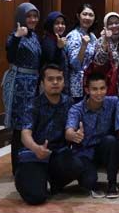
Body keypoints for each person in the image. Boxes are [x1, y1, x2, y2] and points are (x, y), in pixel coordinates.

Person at [14, 64, 75, 205]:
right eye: (50, 79)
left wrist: (75, 134)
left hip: (58, 153)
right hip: (35, 154)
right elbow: (25, 134)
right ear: (42, 83)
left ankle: (53, 181)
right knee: (36, 197)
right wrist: (36, 148)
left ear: (64, 81)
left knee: (77, 165)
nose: (55, 82)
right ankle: (24, 177)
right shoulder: (33, 104)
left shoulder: (69, 102)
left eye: (59, 78)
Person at [65, 72, 119, 198]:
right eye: (94, 89)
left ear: (106, 88)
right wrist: (74, 135)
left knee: (111, 140)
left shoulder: (113, 102)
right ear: (87, 90)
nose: (99, 93)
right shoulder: (77, 109)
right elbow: (68, 131)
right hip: (84, 152)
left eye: (102, 88)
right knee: (88, 182)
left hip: (103, 149)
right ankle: (90, 178)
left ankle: (112, 184)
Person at [3, 2, 42, 174]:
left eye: (35, 16)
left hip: (33, 84)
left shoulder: (35, 36)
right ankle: (17, 168)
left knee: (29, 124)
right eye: (29, 16)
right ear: (21, 17)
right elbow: (10, 57)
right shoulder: (14, 35)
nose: (33, 20)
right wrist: (17, 37)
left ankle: (27, 163)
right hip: (19, 85)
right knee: (19, 126)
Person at [66, 3, 97, 103]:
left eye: (91, 15)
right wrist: (83, 46)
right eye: (85, 14)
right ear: (78, 16)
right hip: (77, 86)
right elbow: (74, 65)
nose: (87, 18)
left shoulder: (93, 36)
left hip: (90, 83)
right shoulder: (73, 35)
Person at [92, 12, 119, 96]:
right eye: (110, 24)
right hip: (105, 86)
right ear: (106, 26)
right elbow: (99, 61)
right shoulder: (101, 40)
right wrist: (106, 40)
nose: (114, 26)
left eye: (117, 23)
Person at [40, 12, 69, 85]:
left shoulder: (59, 40)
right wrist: (58, 48)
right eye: (57, 23)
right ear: (50, 25)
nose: (60, 26)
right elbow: (52, 64)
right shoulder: (47, 41)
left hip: (61, 80)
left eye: (63, 23)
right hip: (52, 82)